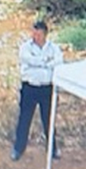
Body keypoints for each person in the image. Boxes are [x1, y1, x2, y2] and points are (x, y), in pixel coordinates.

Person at [11, 20, 63, 161]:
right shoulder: (25, 48)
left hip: (47, 88)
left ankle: (53, 150)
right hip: (30, 88)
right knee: (24, 119)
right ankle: (18, 149)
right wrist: (45, 62)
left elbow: (58, 63)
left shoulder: (54, 49)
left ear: (45, 34)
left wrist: (39, 62)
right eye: (34, 33)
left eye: (38, 34)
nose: (35, 37)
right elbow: (27, 60)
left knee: (48, 120)